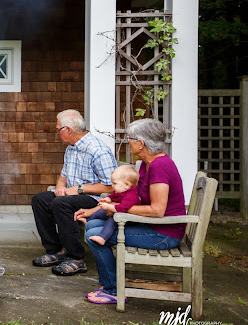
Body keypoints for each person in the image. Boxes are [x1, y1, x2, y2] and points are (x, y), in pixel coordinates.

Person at [76, 118, 186, 304]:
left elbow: (157, 211)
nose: (128, 141)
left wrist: (116, 209)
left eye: (130, 138)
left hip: (164, 233)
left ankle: (113, 290)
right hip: (152, 225)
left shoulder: (160, 167)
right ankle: (110, 283)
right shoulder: (146, 163)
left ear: (141, 143)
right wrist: (102, 207)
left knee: (93, 236)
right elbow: (133, 196)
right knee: (94, 223)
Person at [31, 109, 118, 276]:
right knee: (40, 199)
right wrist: (59, 188)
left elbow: (111, 186)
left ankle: (77, 258)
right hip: (72, 195)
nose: (58, 133)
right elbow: (63, 175)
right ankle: (56, 250)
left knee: (61, 204)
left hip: (94, 200)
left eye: (58, 130)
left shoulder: (98, 150)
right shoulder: (71, 148)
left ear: (68, 130)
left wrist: (79, 189)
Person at [75, 165, 140, 246]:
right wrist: (108, 199)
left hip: (127, 220)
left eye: (114, 183)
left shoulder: (131, 196)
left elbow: (122, 208)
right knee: (100, 211)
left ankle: (103, 238)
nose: (112, 186)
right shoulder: (122, 190)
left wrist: (108, 207)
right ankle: (87, 221)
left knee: (112, 221)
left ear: (126, 184)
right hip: (117, 213)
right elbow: (113, 196)